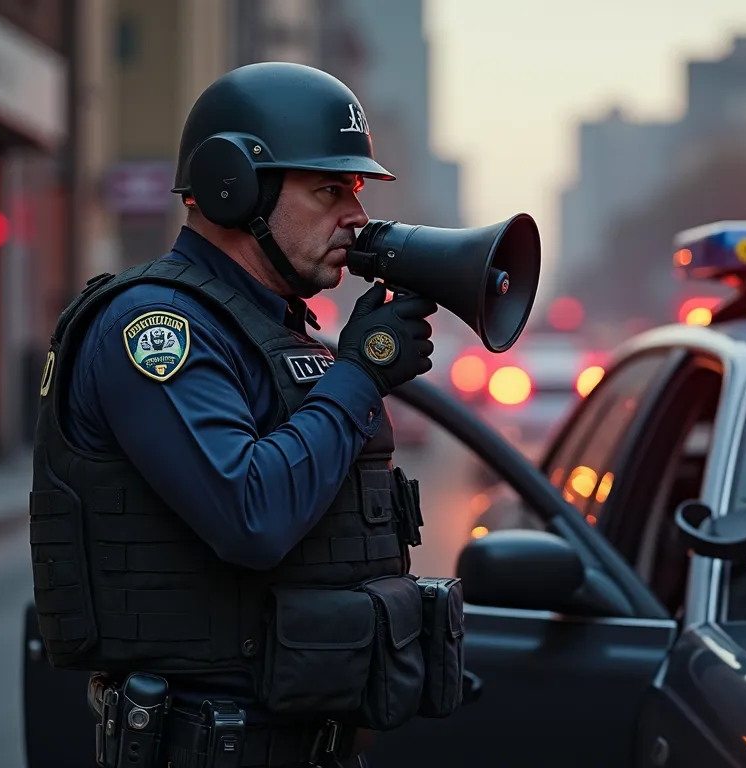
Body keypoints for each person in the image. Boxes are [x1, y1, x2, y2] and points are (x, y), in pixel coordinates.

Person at [29, 62, 463, 768]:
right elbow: (251, 512)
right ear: (235, 189)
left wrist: (354, 370)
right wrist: (359, 375)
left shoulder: (275, 330)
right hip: (206, 746)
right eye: (329, 190)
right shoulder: (153, 328)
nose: (355, 216)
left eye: (354, 190)